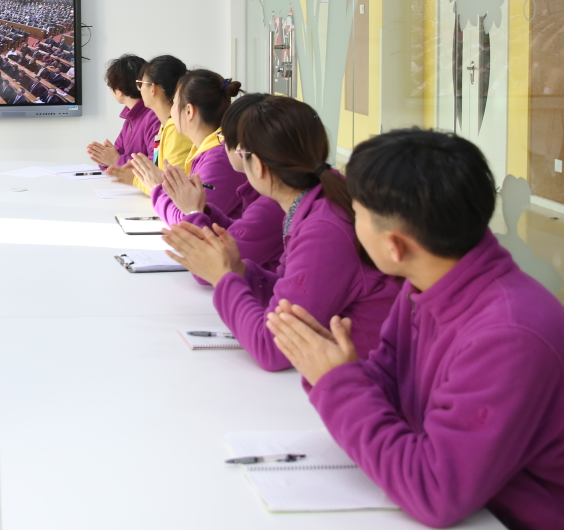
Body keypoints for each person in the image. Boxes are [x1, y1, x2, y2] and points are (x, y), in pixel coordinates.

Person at [266, 129, 564, 530]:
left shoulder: (510, 334)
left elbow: (435, 490)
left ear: (394, 246)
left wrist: (339, 383)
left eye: (356, 214)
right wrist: (332, 365)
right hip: (484, 527)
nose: (348, 220)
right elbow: (389, 381)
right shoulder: (428, 281)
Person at [161, 95, 399, 374]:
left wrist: (223, 279)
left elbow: (271, 348)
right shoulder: (315, 204)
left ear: (258, 165)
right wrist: (240, 272)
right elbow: (290, 290)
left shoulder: (324, 228)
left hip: (365, 378)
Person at [164, 93, 284, 279]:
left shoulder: (272, 205)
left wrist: (192, 212)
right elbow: (244, 231)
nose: (222, 145)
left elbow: (208, 269)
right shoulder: (273, 193)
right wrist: (204, 210)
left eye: (222, 137)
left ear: (242, 150)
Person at [128, 70, 246, 224]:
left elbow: (190, 221)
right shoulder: (208, 150)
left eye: (175, 103)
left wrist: (158, 188)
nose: (172, 111)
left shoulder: (219, 159)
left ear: (189, 111)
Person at [107, 55, 191, 186]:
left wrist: (134, 178)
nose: (139, 90)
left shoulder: (175, 129)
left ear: (153, 88)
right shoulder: (165, 126)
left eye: (141, 84)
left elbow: (171, 187)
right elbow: (159, 175)